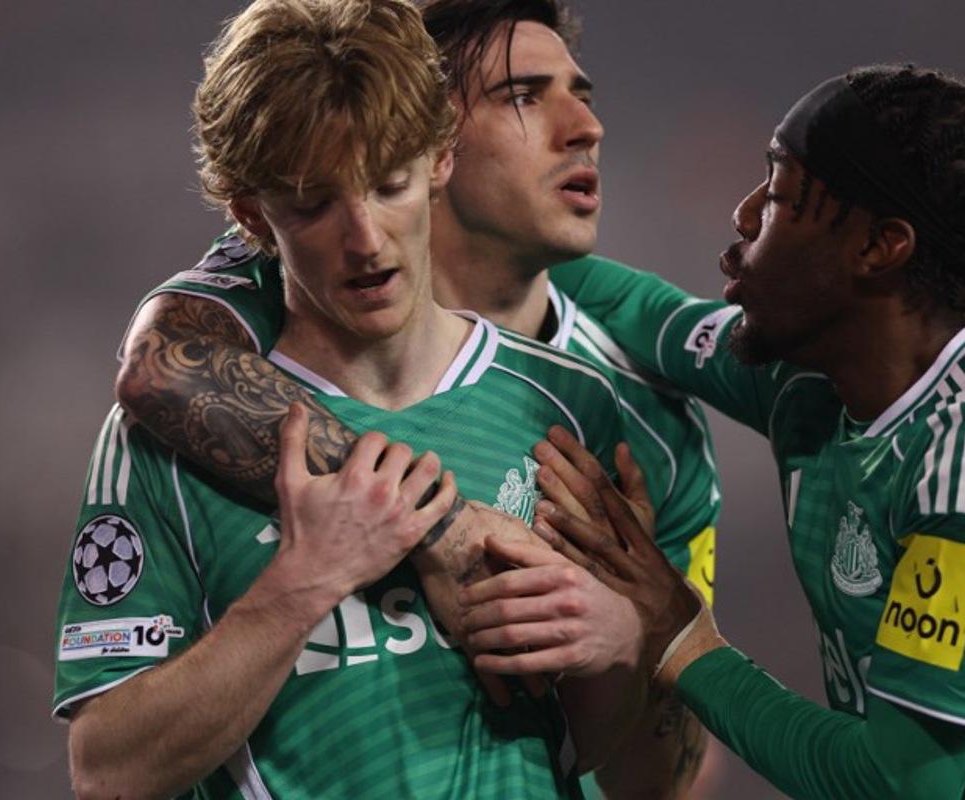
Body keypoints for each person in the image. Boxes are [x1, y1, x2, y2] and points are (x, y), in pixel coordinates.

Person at [114, 1, 720, 796]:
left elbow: (663, 783)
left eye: (583, 93)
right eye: (523, 95)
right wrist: (432, 526)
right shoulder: (230, 339)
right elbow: (160, 362)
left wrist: (635, 638)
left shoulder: (631, 416)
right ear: (441, 139)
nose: (585, 127)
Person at [461, 64, 965, 798]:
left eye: (776, 196)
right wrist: (442, 241)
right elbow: (640, 311)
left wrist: (681, 633)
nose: (742, 215)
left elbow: (893, 784)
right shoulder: (820, 372)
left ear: (877, 248)